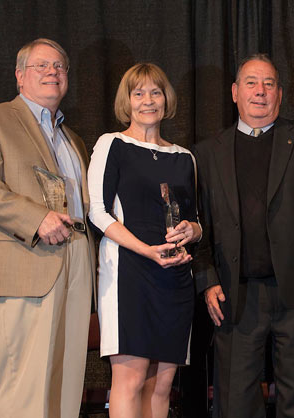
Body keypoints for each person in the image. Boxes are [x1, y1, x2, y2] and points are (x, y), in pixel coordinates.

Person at [194, 53, 294, 418]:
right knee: (235, 401)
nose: (260, 91)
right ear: (234, 92)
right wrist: (207, 280)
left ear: (280, 92)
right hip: (234, 292)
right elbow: (200, 225)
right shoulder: (207, 152)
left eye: (269, 84)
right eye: (251, 83)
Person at [0, 38, 95, 418]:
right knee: (27, 391)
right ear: (20, 76)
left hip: (75, 263)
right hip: (24, 263)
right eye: (42, 65)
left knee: (65, 387)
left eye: (59, 66)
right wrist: (35, 218)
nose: (52, 72)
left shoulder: (74, 140)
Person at [87, 63, 201, 418]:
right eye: (139, 93)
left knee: (161, 387)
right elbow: (98, 212)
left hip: (175, 278)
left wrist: (192, 232)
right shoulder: (113, 145)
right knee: (131, 380)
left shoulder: (185, 157)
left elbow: (195, 220)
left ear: (167, 100)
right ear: (127, 101)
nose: (148, 100)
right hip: (129, 274)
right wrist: (146, 251)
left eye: (155, 92)